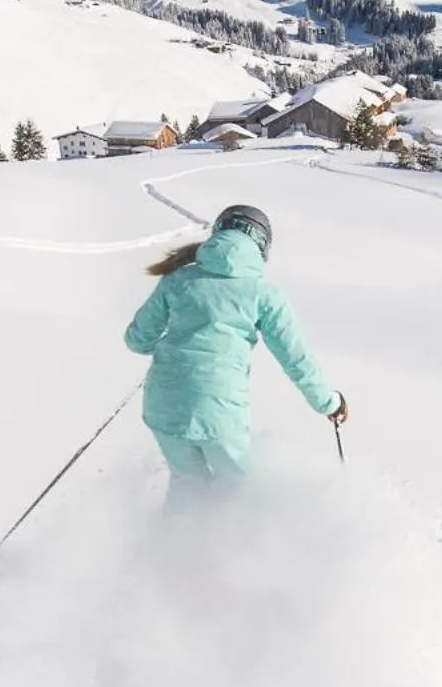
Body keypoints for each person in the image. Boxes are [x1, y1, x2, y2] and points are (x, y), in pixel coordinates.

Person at [124, 205, 347, 507]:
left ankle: (173, 548)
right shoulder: (263, 294)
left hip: (162, 406)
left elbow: (137, 340)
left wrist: (176, 344)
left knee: (188, 484)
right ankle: (230, 552)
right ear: (262, 246)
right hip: (219, 411)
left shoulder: (178, 280)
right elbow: (296, 359)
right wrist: (329, 403)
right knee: (239, 491)